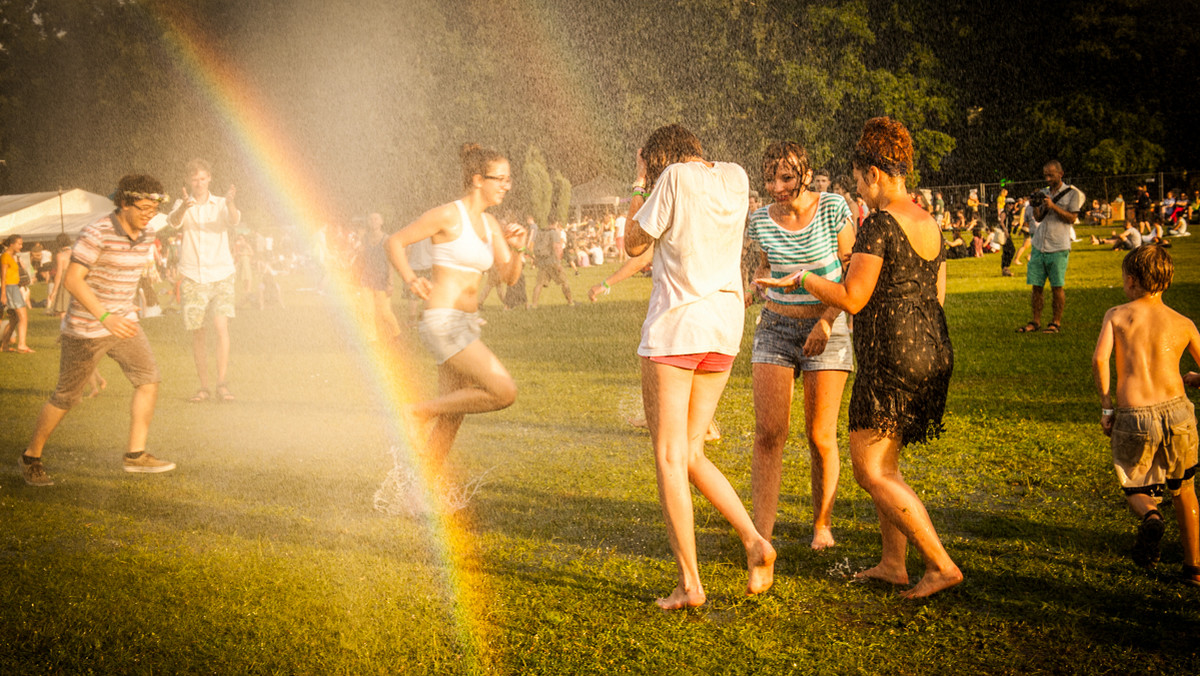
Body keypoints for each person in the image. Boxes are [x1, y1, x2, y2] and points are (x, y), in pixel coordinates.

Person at [786, 116, 961, 599]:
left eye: (860, 179)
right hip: (931, 351)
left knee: (869, 471)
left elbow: (852, 297)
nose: (859, 190)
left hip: (891, 358)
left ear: (876, 173)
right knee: (888, 464)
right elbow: (937, 295)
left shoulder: (880, 224)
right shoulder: (927, 220)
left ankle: (940, 564)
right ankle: (893, 563)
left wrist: (802, 279)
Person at [624, 124, 775, 610]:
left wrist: (641, 181)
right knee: (690, 452)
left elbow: (632, 243)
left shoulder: (669, 179)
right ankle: (755, 542)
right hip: (724, 329)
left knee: (670, 456)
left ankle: (690, 584)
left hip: (677, 327)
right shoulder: (735, 175)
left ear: (662, 158)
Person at [17, 175, 176, 487]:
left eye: (154, 208)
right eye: (144, 207)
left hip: (123, 322)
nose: (149, 214)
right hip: (87, 327)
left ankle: (135, 456)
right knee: (67, 397)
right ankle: (30, 457)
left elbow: (172, 223)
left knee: (149, 380)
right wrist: (105, 316)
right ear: (124, 203)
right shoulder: (97, 232)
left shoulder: (148, 233)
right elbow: (73, 280)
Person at [385, 143, 526, 488]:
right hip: (443, 320)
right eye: (501, 179)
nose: (507, 185)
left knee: (453, 414)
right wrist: (411, 278)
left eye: (509, 179)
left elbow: (509, 278)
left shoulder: (491, 223)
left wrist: (521, 247)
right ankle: (415, 412)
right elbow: (394, 242)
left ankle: (418, 493)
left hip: (465, 323)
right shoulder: (449, 215)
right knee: (503, 391)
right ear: (478, 179)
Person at [747, 141, 855, 551]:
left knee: (820, 436)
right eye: (770, 178)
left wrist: (827, 322)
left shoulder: (832, 209)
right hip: (775, 326)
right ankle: (762, 534)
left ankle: (822, 526)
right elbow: (764, 267)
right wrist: (752, 287)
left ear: (805, 175)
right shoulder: (759, 220)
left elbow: (851, 271)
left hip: (826, 327)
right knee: (769, 434)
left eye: (786, 178)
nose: (777, 186)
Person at [1091, 244, 1200, 585]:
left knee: (1136, 485)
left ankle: (1151, 516)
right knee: (1184, 489)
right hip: (1178, 412)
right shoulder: (1183, 323)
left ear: (1131, 280)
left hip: (1135, 414)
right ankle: (1194, 567)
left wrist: (1107, 406)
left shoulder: (1118, 315)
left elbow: (1099, 359)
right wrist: (1196, 377)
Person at [168, 158, 240, 402]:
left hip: (221, 274)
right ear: (189, 181)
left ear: (209, 177)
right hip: (193, 276)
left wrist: (230, 203)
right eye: (194, 179)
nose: (198, 183)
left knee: (221, 328)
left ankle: (222, 383)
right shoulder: (183, 203)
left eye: (202, 178)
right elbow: (173, 222)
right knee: (198, 333)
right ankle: (204, 387)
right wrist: (183, 208)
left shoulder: (220, 203)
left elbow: (234, 220)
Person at [1015, 160, 1084, 334]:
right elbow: (1038, 219)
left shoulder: (1071, 194)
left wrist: (1053, 207)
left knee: (1056, 286)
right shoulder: (1043, 193)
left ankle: (1055, 322)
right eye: (1045, 175)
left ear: (1060, 174)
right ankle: (1035, 321)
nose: (1047, 178)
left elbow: (1072, 218)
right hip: (1039, 245)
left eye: (1050, 175)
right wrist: (1035, 206)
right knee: (1036, 286)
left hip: (1058, 246)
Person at [360, 213, 401, 342]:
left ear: (381, 222)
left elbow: (390, 261)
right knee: (367, 311)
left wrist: (390, 282)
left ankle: (396, 333)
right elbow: (363, 257)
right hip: (366, 278)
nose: (373, 221)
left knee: (385, 312)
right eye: (370, 219)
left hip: (382, 279)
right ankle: (371, 338)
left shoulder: (386, 239)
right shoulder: (364, 238)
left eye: (376, 219)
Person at [1, 234, 34, 353]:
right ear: (11, 244)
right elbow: (3, 277)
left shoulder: (12, 256)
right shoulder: (5, 257)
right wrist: (3, 294)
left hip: (14, 287)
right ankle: (22, 345)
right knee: (23, 316)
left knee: (14, 320)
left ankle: (4, 345)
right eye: (19, 243)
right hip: (10, 288)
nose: (21, 246)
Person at [529, 220, 573, 308]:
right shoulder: (553, 233)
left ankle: (534, 305)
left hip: (542, 263)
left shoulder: (540, 232)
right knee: (564, 282)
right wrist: (558, 263)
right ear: (554, 222)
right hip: (553, 262)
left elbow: (534, 247)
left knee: (539, 284)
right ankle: (571, 302)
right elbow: (556, 247)